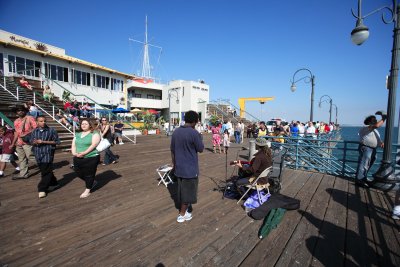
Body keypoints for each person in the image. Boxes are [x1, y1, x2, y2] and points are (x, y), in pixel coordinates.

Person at [170, 110, 204, 223]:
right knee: (188, 193)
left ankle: (184, 211)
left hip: (179, 167)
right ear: (195, 121)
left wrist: (174, 165)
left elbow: (172, 151)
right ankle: (182, 214)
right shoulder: (194, 133)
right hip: (190, 169)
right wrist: (199, 137)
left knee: (181, 190)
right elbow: (201, 149)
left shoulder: (176, 132)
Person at [30, 116, 61, 198]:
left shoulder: (51, 130)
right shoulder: (34, 131)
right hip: (38, 154)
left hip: (47, 153)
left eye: (44, 121)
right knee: (46, 170)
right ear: (37, 122)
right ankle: (54, 183)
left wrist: (43, 141)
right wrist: (34, 142)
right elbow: (31, 141)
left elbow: (57, 142)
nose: (43, 122)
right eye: (41, 121)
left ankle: (42, 189)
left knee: (45, 172)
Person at [71, 119, 101, 198]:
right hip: (77, 156)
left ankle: (88, 190)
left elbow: (94, 145)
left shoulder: (94, 133)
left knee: (89, 174)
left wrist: (84, 153)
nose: (83, 125)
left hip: (91, 157)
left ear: (90, 125)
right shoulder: (78, 134)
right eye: (82, 124)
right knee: (78, 172)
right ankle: (92, 182)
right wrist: (74, 153)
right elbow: (74, 145)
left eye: (86, 124)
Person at [355, 113, 386, 187]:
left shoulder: (375, 130)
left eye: (375, 120)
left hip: (372, 149)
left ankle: (363, 177)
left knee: (368, 164)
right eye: (373, 120)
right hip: (366, 148)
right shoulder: (366, 127)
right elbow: (376, 126)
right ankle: (359, 180)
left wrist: (380, 143)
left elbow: (375, 139)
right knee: (364, 164)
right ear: (369, 122)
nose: (375, 121)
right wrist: (384, 118)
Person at [10, 105, 37, 179]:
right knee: (21, 159)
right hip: (19, 142)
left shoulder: (29, 118)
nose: (20, 111)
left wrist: (28, 133)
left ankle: (45, 165)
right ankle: (23, 174)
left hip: (27, 141)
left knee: (31, 156)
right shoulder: (16, 121)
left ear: (25, 111)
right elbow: (16, 133)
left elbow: (36, 128)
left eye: (22, 110)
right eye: (18, 110)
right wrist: (13, 143)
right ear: (16, 112)